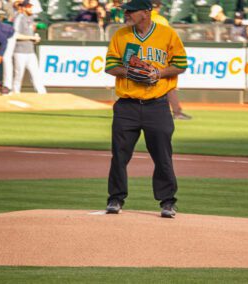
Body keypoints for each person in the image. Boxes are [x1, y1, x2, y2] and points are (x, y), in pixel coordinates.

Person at [104, 0, 187, 218]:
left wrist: (158, 74)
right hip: (126, 106)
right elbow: (110, 66)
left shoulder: (167, 35)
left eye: (131, 11)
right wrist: (129, 73)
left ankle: (167, 202)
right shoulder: (120, 36)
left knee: (162, 156)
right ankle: (115, 198)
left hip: (157, 105)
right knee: (119, 156)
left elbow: (181, 64)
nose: (127, 14)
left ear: (147, 12)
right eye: (126, 11)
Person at [152, 0, 191, 120]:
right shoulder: (161, 20)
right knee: (169, 84)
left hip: (143, 54)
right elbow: (168, 39)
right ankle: (177, 112)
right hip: (159, 55)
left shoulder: (140, 19)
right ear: (157, 7)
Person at [12, 0, 46, 95]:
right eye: (28, 7)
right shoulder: (19, 18)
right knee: (19, 75)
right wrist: (31, 37)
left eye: (31, 6)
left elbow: (31, 31)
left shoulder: (31, 18)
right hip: (19, 51)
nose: (30, 8)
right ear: (23, 8)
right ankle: (15, 93)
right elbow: (15, 35)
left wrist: (35, 38)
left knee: (36, 74)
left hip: (30, 51)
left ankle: (42, 93)